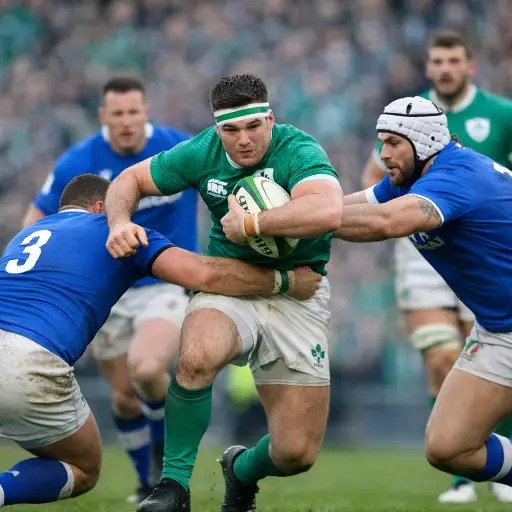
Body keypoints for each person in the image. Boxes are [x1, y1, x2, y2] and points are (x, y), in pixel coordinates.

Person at [0, 173, 320, 508]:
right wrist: (284, 280)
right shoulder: (114, 230)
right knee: (83, 468)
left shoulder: (27, 234)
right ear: (101, 207)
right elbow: (204, 274)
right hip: (29, 361)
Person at [104, 73, 343, 512]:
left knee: (295, 453)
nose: (243, 140)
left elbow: (328, 210)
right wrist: (119, 222)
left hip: (299, 293)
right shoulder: (204, 151)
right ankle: (172, 487)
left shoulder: (299, 149)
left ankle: (241, 470)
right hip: (230, 285)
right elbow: (129, 180)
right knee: (197, 356)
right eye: (231, 130)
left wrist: (251, 223)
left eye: (253, 127)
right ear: (218, 129)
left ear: (270, 119)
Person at [22, 76, 198, 503]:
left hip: (162, 282)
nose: (126, 121)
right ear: (103, 116)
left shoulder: (179, 147)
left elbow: (218, 184)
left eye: (133, 112)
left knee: (147, 369)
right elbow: (36, 219)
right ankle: (145, 483)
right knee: (123, 399)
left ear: (146, 111)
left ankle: (163, 458)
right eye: (117, 114)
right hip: (107, 293)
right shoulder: (78, 161)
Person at [335, 95, 512, 500]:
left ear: (424, 141)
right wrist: (290, 213)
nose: (383, 154)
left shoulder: (455, 175)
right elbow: (352, 206)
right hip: (499, 329)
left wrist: (267, 223)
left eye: (393, 143)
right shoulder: (410, 179)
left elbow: (385, 222)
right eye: (382, 142)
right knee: (448, 445)